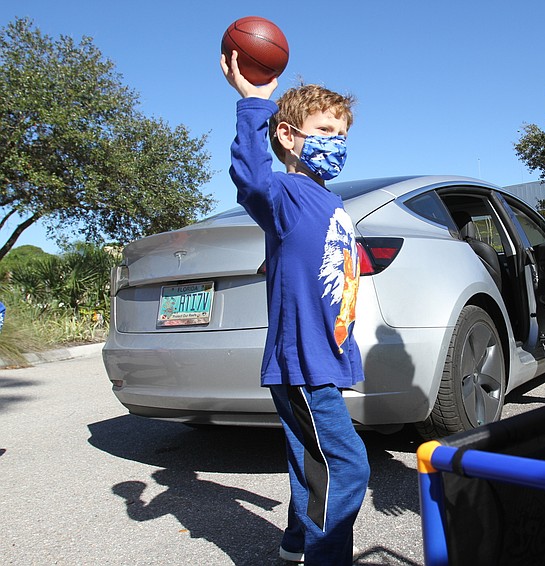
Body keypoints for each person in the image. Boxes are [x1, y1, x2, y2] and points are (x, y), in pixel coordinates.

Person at [221, 51, 369, 565]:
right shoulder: (284, 189)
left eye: (343, 134)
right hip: (303, 364)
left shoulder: (327, 200)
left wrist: (279, 263)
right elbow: (251, 179)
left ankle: (295, 544)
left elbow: (317, 256)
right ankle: (326, 556)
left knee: (313, 456)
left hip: (323, 357)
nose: (338, 141)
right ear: (289, 135)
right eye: (326, 129)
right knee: (348, 466)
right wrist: (253, 105)